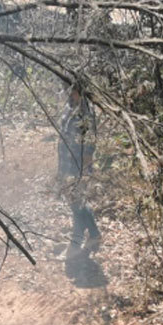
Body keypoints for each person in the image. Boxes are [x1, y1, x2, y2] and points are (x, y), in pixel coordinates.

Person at [57, 82, 102, 257]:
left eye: (71, 90)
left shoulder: (86, 111)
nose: (68, 93)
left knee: (77, 202)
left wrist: (84, 167)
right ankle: (88, 237)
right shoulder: (70, 106)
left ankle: (79, 241)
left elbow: (91, 140)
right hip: (67, 161)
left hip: (78, 163)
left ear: (79, 90)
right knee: (77, 202)